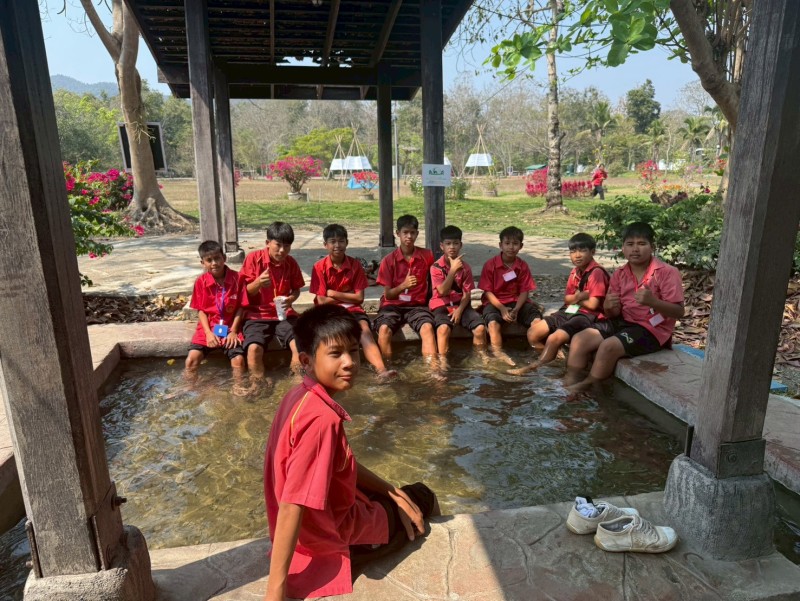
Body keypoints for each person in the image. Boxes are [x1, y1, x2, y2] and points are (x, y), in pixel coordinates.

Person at [263, 305, 439, 601]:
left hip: (322, 521)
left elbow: (341, 465)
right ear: (306, 360)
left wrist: (392, 491)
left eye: (354, 351)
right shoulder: (322, 419)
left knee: (400, 496)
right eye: (335, 354)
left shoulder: (298, 396)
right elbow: (294, 503)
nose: (349, 363)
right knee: (423, 495)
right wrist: (275, 592)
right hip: (335, 535)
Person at [566, 222, 684, 393]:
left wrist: (654, 302)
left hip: (652, 330)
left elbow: (679, 312)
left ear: (653, 247)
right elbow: (613, 314)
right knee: (580, 339)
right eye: (630, 244)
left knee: (608, 347)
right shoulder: (620, 273)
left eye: (641, 244)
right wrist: (608, 307)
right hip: (624, 322)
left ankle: (587, 385)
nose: (635, 249)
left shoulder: (667, 272)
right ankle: (570, 380)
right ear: (623, 247)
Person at [510, 233, 608, 375]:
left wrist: (576, 298)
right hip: (571, 310)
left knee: (553, 338)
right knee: (533, 333)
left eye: (582, 251)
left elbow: (593, 305)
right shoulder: (575, 271)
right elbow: (567, 299)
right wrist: (580, 296)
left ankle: (533, 367)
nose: (577, 255)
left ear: (592, 252)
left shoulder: (596, 273)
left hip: (588, 315)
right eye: (573, 251)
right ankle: (552, 359)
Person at [310, 224, 397, 381]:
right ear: (325, 245)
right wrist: (348, 294)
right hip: (329, 312)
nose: (337, 245)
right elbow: (322, 301)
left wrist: (333, 293)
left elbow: (359, 298)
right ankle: (330, 374)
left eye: (341, 241)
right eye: (333, 242)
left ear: (347, 243)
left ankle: (381, 370)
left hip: (353, 310)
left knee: (365, 331)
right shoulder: (319, 267)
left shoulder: (355, 265)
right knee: (330, 338)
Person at [240, 222, 305, 380]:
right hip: (257, 314)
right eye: (278, 245)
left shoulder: (291, 263)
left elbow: (296, 290)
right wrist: (258, 283)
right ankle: (258, 383)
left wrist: (290, 299)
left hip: (284, 314)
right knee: (254, 349)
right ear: (268, 243)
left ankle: (297, 382)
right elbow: (244, 293)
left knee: (299, 345)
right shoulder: (253, 259)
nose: (282, 250)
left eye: (287, 246)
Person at [374, 214, 436, 361]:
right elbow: (388, 295)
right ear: (398, 233)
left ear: (417, 234)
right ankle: (385, 368)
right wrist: (404, 285)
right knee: (384, 329)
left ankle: (433, 368)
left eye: (412, 233)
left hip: (417, 305)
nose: (409, 236)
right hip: (392, 305)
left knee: (427, 328)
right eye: (405, 232)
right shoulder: (388, 261)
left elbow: (433, 282)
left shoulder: (427, 256)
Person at [184, 240, 247, 380]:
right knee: (191, 360)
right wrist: (208, 333)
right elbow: (201, 310)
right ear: (203, 263)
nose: (214, 263)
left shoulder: (238, 279)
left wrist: (233, 331)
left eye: (217, 258)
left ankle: (239, 387)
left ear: (224, 258)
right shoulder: (200, 282)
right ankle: (190, 387)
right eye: (209, 260)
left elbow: (241, 308)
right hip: (208, 327)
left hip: (230, 327)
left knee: (238, 361)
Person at [478, 226, 541, 365]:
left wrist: (517, 309)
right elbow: (487, 292)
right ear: (500, 245)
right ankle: (498, 351)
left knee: (536, 320)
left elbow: (525, 291)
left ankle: (539, 348)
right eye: (507, 243)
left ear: (521, 246)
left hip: (518, 301)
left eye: (515, 244)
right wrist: (501, 308)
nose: (511, 247)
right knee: (493, 323)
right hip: (495, 302)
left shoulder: (522, 266)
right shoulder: (490, 265)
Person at [429, 225, 487, 365]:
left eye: (455, 243)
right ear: (442, 246)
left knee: (480, 328)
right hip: (441, 304)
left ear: (460, 245)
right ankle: (443, 361)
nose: (452, 247)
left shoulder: (466, 268)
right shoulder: (436, 267)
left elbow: (467, 293)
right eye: (448, 244)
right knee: (443, 329)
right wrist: (453, 270)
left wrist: (460, 310)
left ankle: (480, 357)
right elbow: (442, 291)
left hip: (460, 304)